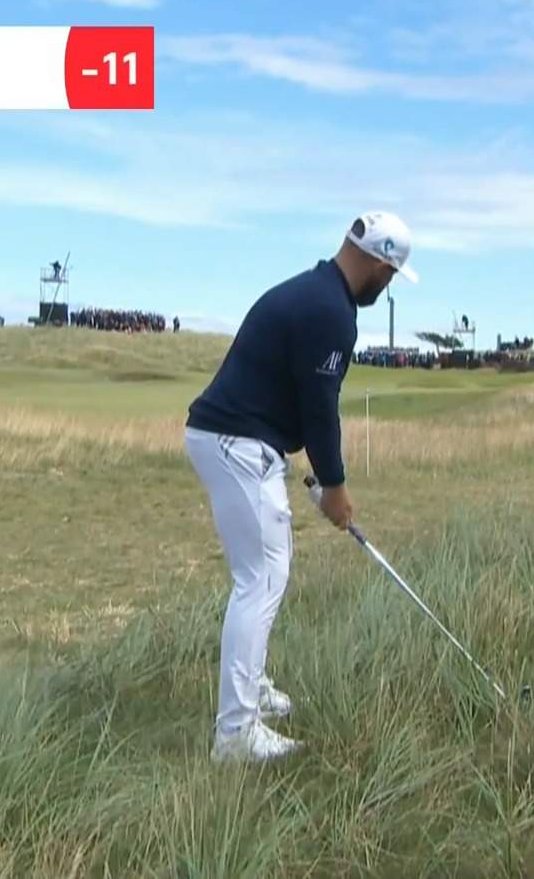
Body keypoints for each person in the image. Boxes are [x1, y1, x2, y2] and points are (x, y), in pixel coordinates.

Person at [184, 211, 419, 763]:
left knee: (269, 566)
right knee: (260, 579)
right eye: (390, 275)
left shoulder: (315, 293)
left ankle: (252, 685)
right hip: (235, 443)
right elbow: (320, 409)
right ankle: (236, 734)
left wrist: (312, 473)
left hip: (236, 440)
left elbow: (292, 392)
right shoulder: (330, 311)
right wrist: (335, 486)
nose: (386, 287)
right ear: (379, 263)